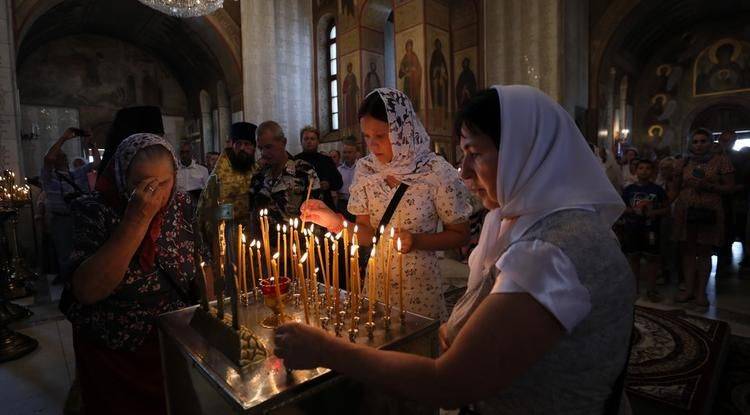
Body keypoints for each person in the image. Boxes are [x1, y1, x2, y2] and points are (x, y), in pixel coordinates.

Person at [277, 86, 633, 414]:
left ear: (526, 153)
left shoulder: (550, 252)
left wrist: (326, 350)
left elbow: (448, 382)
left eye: (474, 154)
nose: (462, 171)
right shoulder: (533, 224)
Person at [301, 88, 471, 319]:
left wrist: (417, 240)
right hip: (377, 285)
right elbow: (368, 235)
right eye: (367, 136)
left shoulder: (435, 172)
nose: (372, 145)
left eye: (380, 136)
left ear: (403, 130)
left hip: (420, 289)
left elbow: (460, 234)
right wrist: (334, 221)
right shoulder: (367, 170)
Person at [64, 134, 199, 415]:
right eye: (144, 184)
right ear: (123, 178)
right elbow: (87, 290)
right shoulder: (94, 209)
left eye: (165, 182)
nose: (158, 194)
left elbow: (200, 263)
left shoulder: (181, 204)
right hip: (114, 349)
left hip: (171, 339)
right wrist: (137, 219)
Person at [672, 128, 735, 306]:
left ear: (710, 142)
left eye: (703, 141)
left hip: (709, 211)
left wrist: (709, 186)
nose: (699, 145)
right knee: (688, 251)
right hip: (685, 210)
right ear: (690, 144)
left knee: (705, 252)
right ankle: (689, 290)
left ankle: (701, 293)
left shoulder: (721, 161)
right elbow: (675, 189)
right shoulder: (684, 162)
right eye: (695, 141)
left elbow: (730, 187)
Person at [41, 127, 99, 281]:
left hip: (79, 217)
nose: (63, 157)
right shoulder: (49, 177)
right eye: (59, 156)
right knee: (65, 255)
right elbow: (47, 159)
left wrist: (91, 145)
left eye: (63, 156)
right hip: (61, 220)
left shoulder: (75, 175)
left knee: (83, 252)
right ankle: (69, 285)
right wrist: (64, 138)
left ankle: (81, 282)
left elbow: (97, 164)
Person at [249, 121, 320, 235]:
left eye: (268, 147)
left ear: (283, 142)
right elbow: (253, 214)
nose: (263, 153)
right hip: (264, 246)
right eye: (260, 148)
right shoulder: (259, 174)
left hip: (295, 245)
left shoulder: (304, 171)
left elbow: (316, 215)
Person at [621, 159, 669, 302]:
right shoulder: (629, 190)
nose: (644, 171)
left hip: (651, 230)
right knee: (633, 259)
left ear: (653, 171)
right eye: (641, 168)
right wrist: (633, 210)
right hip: (633, 228)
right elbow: (621, 208)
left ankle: (651, 290)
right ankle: (633, 289)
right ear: (635, 171)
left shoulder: (657, 190)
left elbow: (667, 209)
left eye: (648, 168)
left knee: (652, 260)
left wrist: (654, 212)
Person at [201, 122, 258, 225]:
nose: (242, 148)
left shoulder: (256, 168)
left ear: (254, 147)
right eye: (238, 143)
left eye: (247, 144)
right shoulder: (220, 174)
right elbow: (209, 210)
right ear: (233, 145)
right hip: (227, 232)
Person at [716, 130, 748, 269]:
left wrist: (738, 187)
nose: (724, 143)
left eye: (728, 140)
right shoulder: (714, 156)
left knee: (740, 228)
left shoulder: (740, 157)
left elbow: (745, 178)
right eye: (722, 140)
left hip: (738, 198)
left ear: (734, 141)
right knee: (722, 228)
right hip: (719, 197)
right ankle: (723, 257)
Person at [295, 126, 343, 210]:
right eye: (306, 139)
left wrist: (329, 184)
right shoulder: (295, 161)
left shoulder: (326, 160)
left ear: (318, 141)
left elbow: (339, 183)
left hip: (324, 205)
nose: (309, 141)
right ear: (301, 141)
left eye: (312, 139)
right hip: (302, 206)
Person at [337, 136, 360, 221]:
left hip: (358, 203)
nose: (346, 155)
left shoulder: (362, 169)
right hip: (343, 204)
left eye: (350, 152)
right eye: (344, 152)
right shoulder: (338, 170)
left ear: (356, 153)